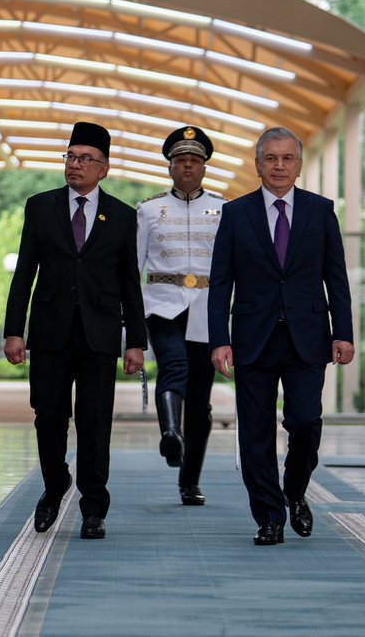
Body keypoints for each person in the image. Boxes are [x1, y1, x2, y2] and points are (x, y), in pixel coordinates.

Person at [208, 126, 355, 546]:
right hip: (252, 337)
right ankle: (269, 517)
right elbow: (221, 283)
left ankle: (294, 493)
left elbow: (336, 278)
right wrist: (220, 339)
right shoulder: (236, 214)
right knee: (255, 432)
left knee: (306, 422)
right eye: (270, 158)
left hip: (308, 335)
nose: (278, 166)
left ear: (299, 164)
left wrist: (342, 332)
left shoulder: (320, 211)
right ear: (258, 164)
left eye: (287, 158)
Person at [3, 121, 146, 540]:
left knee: (94, 420)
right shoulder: (40, 206)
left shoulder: (122, 215)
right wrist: (15, 331)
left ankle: (94, 506)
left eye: (86, 159)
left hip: (99, 335)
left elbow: (129, 283)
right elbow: (24, 272)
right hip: (49, 332)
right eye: (70, 156)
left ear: (104, 168)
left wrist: (135, 341)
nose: (75, 165)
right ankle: (54, 485)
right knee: (48, 416)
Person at [136, 126, 225, 505]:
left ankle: (190, 480)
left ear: (204, 167)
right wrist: (131, 322)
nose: (187, 166)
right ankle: (170, 433)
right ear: (170, 167)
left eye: (194, 160)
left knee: (201, 399)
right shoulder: (148, 210)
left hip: (207, 306)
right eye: (180, 160)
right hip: (163, 302)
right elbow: (133, 266)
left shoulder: (224, 209)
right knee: (173, 366)